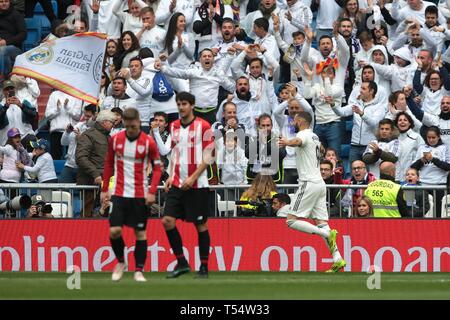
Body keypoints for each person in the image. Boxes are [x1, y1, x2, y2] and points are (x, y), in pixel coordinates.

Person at [278, 111, 346, 273]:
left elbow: (298, 141)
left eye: (294, 121)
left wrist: (287, 142)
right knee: (322, 222)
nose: (293, 123)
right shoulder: (315, 136)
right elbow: (322, 150)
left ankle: (325, 234)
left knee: (291, 220)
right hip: (319, 184)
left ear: (300, 121)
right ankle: (337, 258)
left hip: (308, 183)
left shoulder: (304, 134)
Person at [101, 107, 162, 283]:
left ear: (138, 123)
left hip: (140, 194)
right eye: (128, 127)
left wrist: (152, 191)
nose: (131, 130)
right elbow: (108, 164)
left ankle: (139, 271)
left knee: (140, 234)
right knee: (114, 231)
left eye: (134, 127)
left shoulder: (148, 142)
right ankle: (121, 262)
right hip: (120, 193)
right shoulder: (116, 140)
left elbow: (157, 168)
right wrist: (105, 188)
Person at [161, 92, 215, 279]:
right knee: (167, 221)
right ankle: (182, 262)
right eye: (179, 104)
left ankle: (204, 267)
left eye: (184, 104)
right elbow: (174, 153)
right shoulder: (174, 125)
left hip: (197, 184)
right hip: (176, 182)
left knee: (200, 224)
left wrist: (193, 177)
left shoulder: (204, 126)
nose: (181, 107)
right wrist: (169, 175)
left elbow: (209, 156)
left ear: (192, 105)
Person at [76, 110, 116, 217]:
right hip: (90, 182)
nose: (113, 125)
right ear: (104, 122)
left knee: (106, 211)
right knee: (87, 213)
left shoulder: (109, 137)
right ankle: (83, 233)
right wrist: (95, 174)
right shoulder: (88, 135)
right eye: (112, 122)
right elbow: (81, 158)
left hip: (106, 182)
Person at [411, 126, 450, 217]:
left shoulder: (445, 148)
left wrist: (433, 159)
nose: (431, 140)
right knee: (424, 213)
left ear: (439, 137)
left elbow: (448, 166)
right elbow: (413, 167)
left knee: (438, 213)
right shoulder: (421, 148)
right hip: (423, 185)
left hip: (439, 185)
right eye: (429, 137)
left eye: (433, 137)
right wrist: (421, 161)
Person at [59, 104, 97, 183]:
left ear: (95, 116)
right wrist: (67, 132)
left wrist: (81, 139)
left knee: (84, 193)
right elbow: (63, 142)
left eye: (88, 116)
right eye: (85, 115)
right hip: (69, 165)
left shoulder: (97, 130)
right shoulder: (78, 125)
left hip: (84, 167)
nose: (86, 118)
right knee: (61, 192)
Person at [0, 80, 37, 150]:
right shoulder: (1, 105)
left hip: (24, 136)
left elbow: (33, 114)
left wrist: (21, 105)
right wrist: (5, 107)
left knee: (32, 140)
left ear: (15, 89)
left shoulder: (24, 101)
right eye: (7, 89)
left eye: (11, 88)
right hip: (7, 140)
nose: (9, 90)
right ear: (3, 91)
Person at [0, 0, 26, 78]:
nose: (4, 3)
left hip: (15, 48)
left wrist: (6, 42)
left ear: (10, 2)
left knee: (2, 50)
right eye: (1, 1)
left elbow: (23, 34)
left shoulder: (16, 15)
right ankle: (7, 76)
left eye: (6, 1)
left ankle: (3, 77)